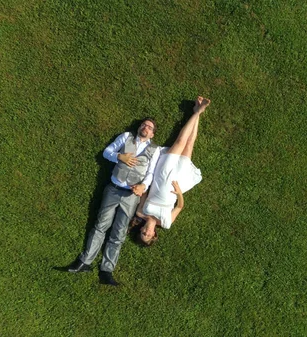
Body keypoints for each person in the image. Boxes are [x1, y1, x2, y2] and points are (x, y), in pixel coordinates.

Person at [64, 118, 161, 286]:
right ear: (139, 127)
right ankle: (85, 262)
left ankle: (106, 271)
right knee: (101, 225)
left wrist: (143, 186)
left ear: (152, 133)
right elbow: (106, 152)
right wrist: (119, 157)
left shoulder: (155, 149)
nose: (145, 127)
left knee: (119, 232)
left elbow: (151, 173)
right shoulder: (126, 137)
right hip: (114, 188)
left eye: (149, 127)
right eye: (143, 124)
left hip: (132, 195)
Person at [132, 96, 210, 246]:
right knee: (189, 145)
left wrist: (137, 187)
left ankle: (198, 111)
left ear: (141, 229)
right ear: (154, 234)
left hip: (162, 174)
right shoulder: (166, 223)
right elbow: (179, 207)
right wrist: (180, 194)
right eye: (148, 235)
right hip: (177, 181)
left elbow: (145, 192)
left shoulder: (140, 212)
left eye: (143, 233)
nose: (146, 232)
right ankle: (197, 112)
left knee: (180, 141)